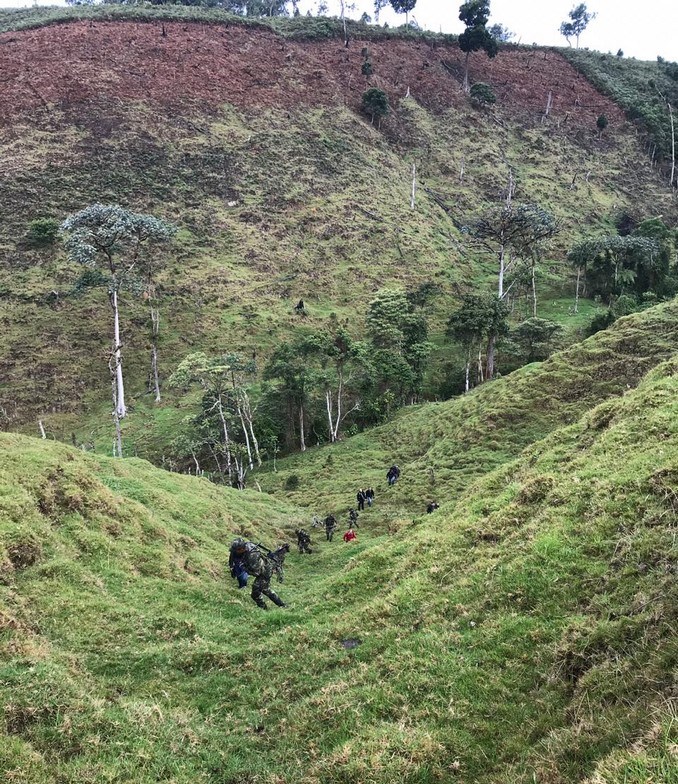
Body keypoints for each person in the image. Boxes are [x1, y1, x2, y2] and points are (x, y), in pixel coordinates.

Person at [229, 538, 287, 610]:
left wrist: (244, 567)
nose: (235, 551)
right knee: (264, 590)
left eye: (236, 550)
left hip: (264, 571)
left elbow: (256, 573)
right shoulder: (244, 547)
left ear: (242, 549)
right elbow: (232, 554)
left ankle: (266, 609)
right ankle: (280, 606)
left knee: (257, 593)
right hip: (262, 566)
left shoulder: (252, 556)